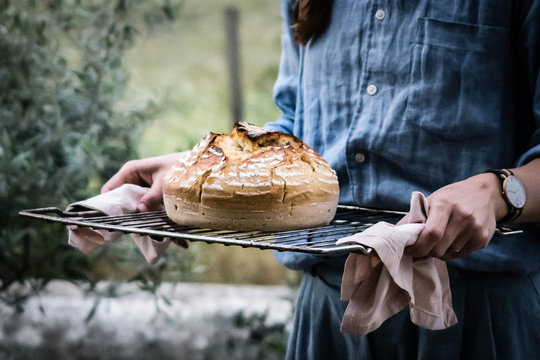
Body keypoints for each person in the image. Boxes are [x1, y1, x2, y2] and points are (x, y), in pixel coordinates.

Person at [103, 0, 540, 358]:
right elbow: (298, 133)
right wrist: (200, 168)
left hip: (478, 317)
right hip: (329, 313)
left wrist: (500, 191)